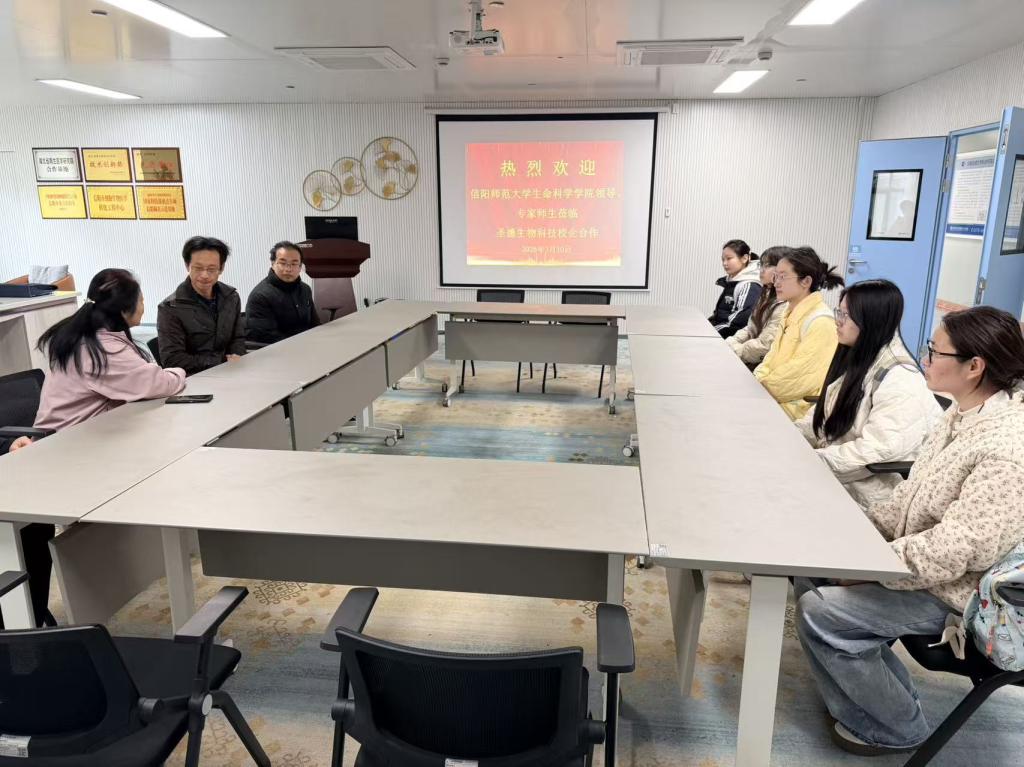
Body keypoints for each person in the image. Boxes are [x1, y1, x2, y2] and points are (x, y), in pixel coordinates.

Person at [797, 305, 1024, 756]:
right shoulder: (960, 414)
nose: (924, 357)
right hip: (925, 566)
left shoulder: (1006, 448)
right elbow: (909, 495)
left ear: (974, 367)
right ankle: (876, 696)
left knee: (822, 612)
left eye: (935, 351)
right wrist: (854, 536)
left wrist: (872, 568)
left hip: (961, 593)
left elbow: (957, 549)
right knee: (811, 569)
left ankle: (897, 727)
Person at [6, 268, 186, 627]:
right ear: (124, 309)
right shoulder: (99, 347)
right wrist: (178, 372)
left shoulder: (93, 336)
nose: (144, 304)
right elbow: (158, 383)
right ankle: (31, 622)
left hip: (78, 444)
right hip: (66, 455)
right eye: (140, 300)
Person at [795, 280, 942, 509]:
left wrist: (812, 461)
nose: (838, 321)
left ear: (872, 321)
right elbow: (826, 410)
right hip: (840, 471)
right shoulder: (860, 357)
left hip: (871, 495)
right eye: (839, 312)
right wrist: (791, 437)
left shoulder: (901, 379)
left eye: (846, 315)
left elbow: (878, 449)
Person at [753, 247, 844, 420]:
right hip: (773, 395)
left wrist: (760, 389)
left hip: (798, 409)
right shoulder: (789, 312)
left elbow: (799, 378)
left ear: (806, 281)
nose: (776, 283)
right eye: (776, 276)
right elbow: (771, 358)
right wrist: (757, 381)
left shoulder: (821, 321)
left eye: (783, 277)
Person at [157, 236, 245, 375]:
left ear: (221, 268)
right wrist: (221, 362)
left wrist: (236, 358)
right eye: (198, 268)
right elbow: (172, 359)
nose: (204, 275)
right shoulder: (170, 308)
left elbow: (237, 338)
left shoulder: (231, 297)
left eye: (211, 269)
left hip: (231, 371)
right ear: (187, 266)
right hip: (194, 377)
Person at [245, 240, 321, 345]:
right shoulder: (260, 296)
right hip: (279, 350)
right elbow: (267, 337)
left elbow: (315, 324)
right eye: (283, 263)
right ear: (273, 264)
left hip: (307, 345)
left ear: (300, 267)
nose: (288, 269)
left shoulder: (305, 289)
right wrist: (303, 345)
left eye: (294, 264)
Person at [726, 246, 789, 367]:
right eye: (761, 265)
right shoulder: (766, 294)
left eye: (768, 265)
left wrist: (734, 350)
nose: (762, 270)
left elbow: (763, 347)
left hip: (763, 364)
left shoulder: (785, 303)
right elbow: (751, 328)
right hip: (750, 357)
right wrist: (731, 342)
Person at [708, 239, 762, 338]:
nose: (724, 263)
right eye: (723, 259)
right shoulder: (732, 280)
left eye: (729, 258)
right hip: (721, 334)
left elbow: (738, 323)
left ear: (744, 258)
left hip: (730, 339)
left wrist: (709, 333)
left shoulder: (750, 285)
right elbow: (720, 315)